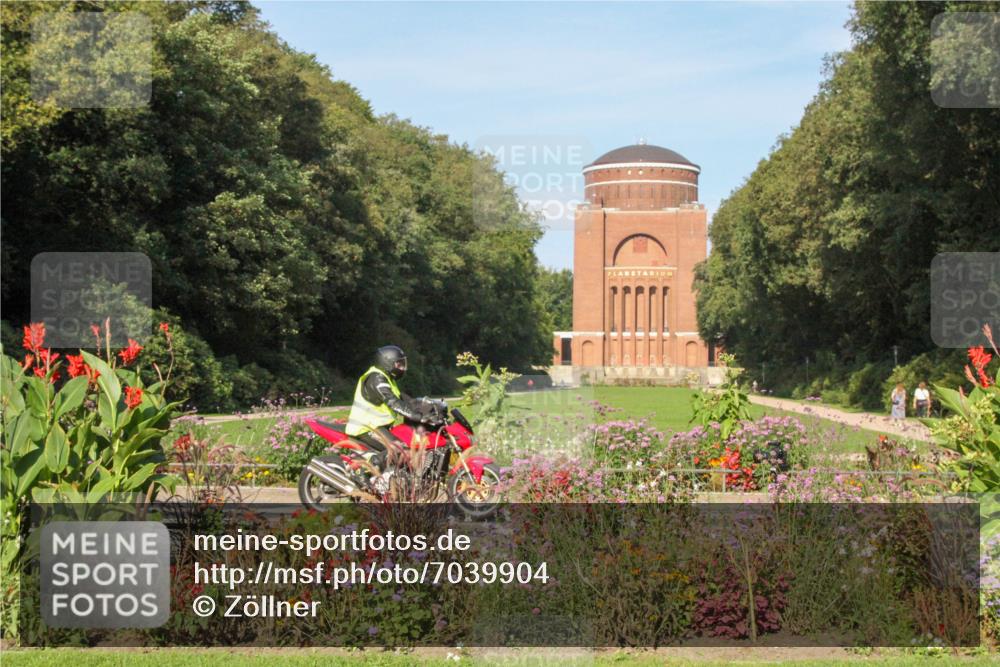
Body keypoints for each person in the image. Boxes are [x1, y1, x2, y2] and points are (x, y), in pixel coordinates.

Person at [345, 345, 429, 455]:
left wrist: (425, 407)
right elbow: (393, 402)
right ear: (387, 363)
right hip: (365, 428)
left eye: (403, 364)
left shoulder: (387, 378)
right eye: (399, 364)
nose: (403, 368)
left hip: (377, 427)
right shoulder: (376, 378)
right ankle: (377, 465)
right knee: (401, 450)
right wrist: (416, 416)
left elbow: (402, 398)